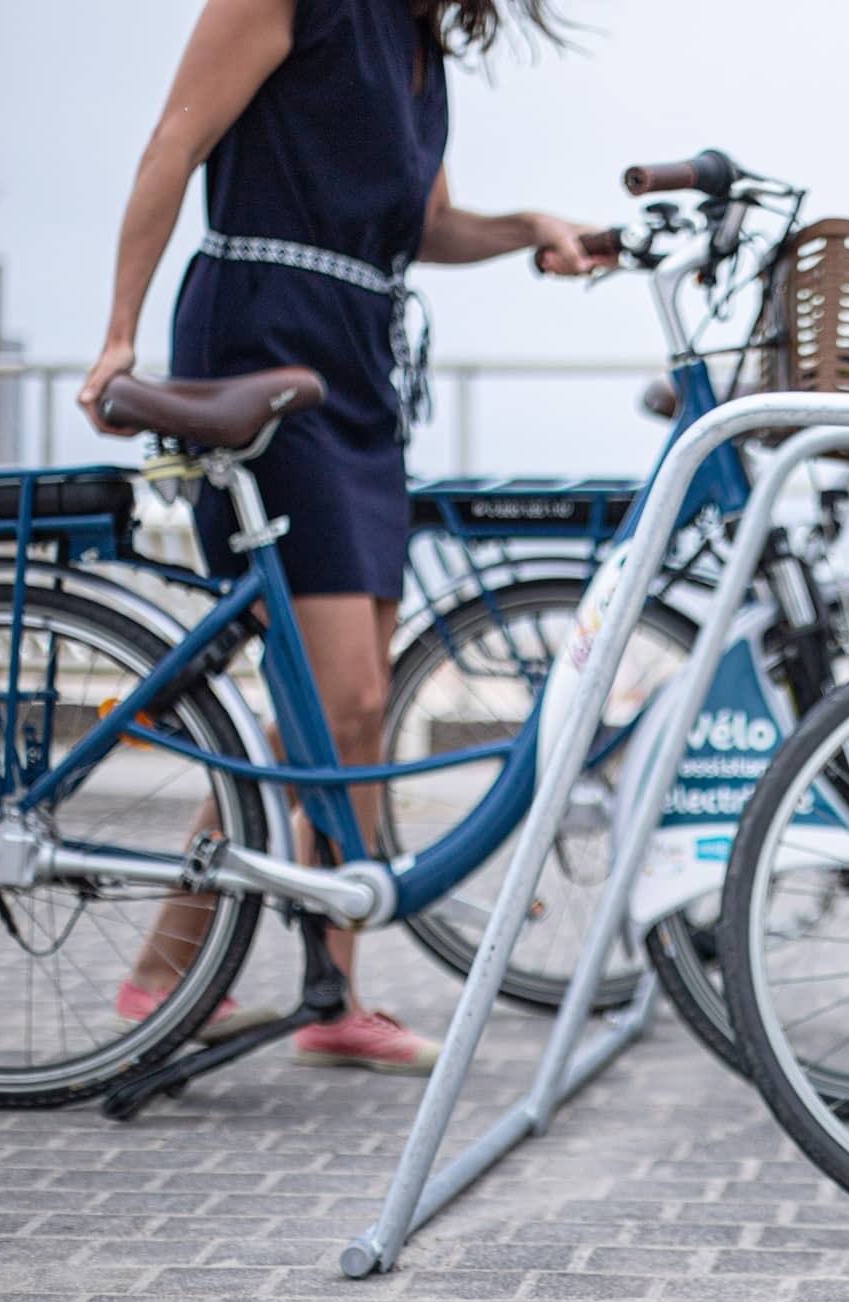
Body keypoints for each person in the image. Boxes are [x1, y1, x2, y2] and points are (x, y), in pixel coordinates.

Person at [76, 0, 609, 1073]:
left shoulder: (418, 40)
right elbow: (174, 142)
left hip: (362, 353)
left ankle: (322, 992)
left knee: (344, 716)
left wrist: (525, 230)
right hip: (262, 331)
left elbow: (421, 226)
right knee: (345, 696)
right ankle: (182, 974)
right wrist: (120, 336)